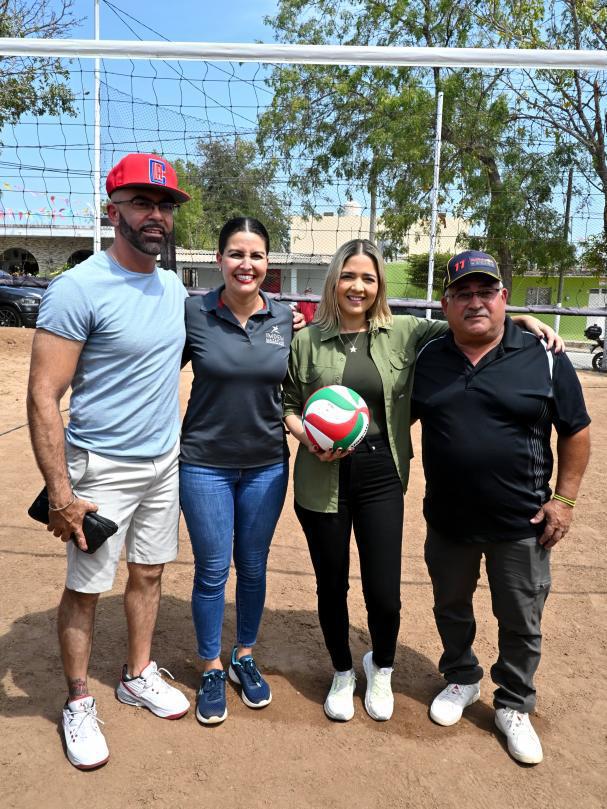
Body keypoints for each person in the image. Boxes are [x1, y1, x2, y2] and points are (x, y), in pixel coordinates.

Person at [283, 239, 560, 724]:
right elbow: (286, 401)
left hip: (381, 474)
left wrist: (518, 319)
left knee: (384, 591)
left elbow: (469, 323)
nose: (357, 286)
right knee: (331, 585)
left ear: (379, 285)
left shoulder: (406, 331)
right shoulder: (307, 340)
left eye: (368, 278)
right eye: (349, 276)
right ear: (334, 281)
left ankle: (382, 668)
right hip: (320, 475)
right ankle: (343, 672)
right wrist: (306, 434)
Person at [26, 153, 192, 770]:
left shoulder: (172, 287)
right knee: (86, 588)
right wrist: (62, 493)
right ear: (112, 210)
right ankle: (77, 701)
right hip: (101, 467)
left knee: (149, 572)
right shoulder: (78, 288)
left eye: (165, 205)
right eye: (141, 202)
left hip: (164, 462)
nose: (156, 215)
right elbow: (43, 396)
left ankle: (137, 674)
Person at [411, 250, 591, 765]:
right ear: (445, 304)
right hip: (448, 520)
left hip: (522, 523)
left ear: (504, 299)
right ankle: (461, 677)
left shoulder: (544, 355)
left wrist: (564, 500)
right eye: (463, 293)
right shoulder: (428, 357)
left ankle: (513, 703)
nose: (475, 302)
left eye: (486, 292)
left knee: (520, 617)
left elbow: (575, 431)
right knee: (450, 606)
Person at [179, 217, 293, 726]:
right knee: (211, 570)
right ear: (219, 259)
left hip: (267, 464)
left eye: (257, 255)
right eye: (236, 254)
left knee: (252, 565)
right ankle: (209, 665)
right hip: (205, 464)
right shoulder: (193, 313)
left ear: (268, 262)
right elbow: (153, 367)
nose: (247, 264)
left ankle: (243, 656)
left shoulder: (285, 318)